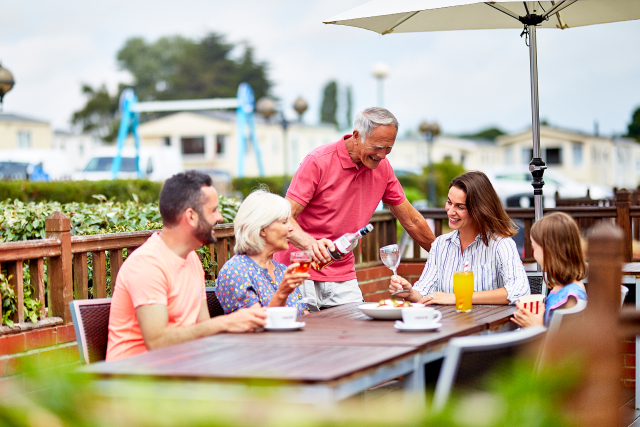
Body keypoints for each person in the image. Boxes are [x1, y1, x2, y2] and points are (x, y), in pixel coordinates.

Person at [274, 107, 436, 311]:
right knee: (303, 340)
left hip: (342, 272)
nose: (382, 156)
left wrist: (444, 256)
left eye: (388, 149)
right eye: (378, 147)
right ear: (357, 136)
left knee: (355, 333)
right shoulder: (318, 161)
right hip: (299, 269)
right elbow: (283, 216)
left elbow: (412, 221)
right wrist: (310, 244)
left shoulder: (383, 169)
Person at [106, 171, 266, 362]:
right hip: (133, 380)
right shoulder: (147, 264)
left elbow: (203, 328)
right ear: (191, 216)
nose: (220, 217)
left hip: (178, 369)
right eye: (213, 210)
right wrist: (225, 323)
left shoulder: (192, 259)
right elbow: (157, 342)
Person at [389, 171, 530, 305]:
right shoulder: (441, 244)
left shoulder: (501, 244)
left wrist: (459, 298)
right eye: (449, 202)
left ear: (479, 209)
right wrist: (409, 292)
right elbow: (425, 292)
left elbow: (520, 291)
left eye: (460, 207)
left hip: (488, 328)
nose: (450, 211)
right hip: (448, 326)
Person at [216, 189, 310, 316]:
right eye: (284, 222)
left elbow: (304, 314)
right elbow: (254, 324)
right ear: (262, 229)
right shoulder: (236, 270)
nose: (291, 228)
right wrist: (282, 292)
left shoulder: (282, 270)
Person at [512, 212, 587, 327]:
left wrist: (536, 326)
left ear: (548, 251)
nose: (534, 255)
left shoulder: (571, 296)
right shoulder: (561, 286)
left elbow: (565, 342)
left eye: (534, 248)